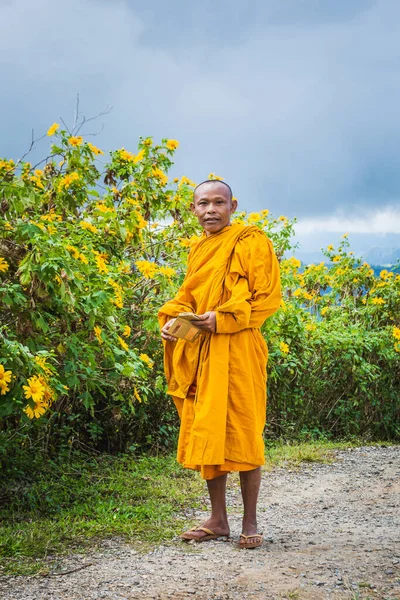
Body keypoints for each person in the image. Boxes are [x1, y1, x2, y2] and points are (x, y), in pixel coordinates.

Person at [158, 180, 281, 549]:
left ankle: (250, 521)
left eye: (218, 203)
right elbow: (188, 297)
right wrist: (173, 321)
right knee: (206, 427)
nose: (210, 210)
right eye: (203, 203)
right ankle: (217, 519)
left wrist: (223, 320)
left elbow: (267, 300)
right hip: (203, 352)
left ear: (233, 206)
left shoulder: (250, 241)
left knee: (243, 430)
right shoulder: (199, 248)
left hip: (240, 348)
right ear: (193, 209)